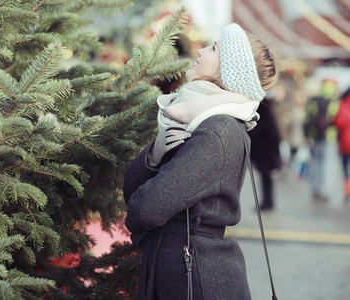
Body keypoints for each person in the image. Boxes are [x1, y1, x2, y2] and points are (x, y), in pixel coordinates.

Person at [123, 23, 277, 300]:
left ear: (226, 70)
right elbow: (131, 192)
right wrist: (155, 154)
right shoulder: (194, 120)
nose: (202, 49)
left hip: (198, 277)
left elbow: (145, 209)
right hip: (181, 269)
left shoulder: (220, 129)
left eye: (214, 48)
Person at [304, 79, 338, 202]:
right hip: (329, 136)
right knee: (327, 164)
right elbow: (336, 118)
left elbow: (307, 116)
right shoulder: (335, 100)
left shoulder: (315, 98)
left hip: (315, 136)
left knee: (316, 162)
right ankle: (324, 191)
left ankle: (315, 189)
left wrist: (308, 134)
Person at [247, 96, 281, 210]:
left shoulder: (263, 113)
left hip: (264, 152)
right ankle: (267, 202)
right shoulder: (269, 113)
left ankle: (267, 202)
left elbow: (258, 130)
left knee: (266, 178)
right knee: (266, 178)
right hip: (267, 152)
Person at [333, 87, 350, 201]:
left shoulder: (344, 104)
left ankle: (348, 188)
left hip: (345, 142)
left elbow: (339, 122)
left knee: (345, 168)